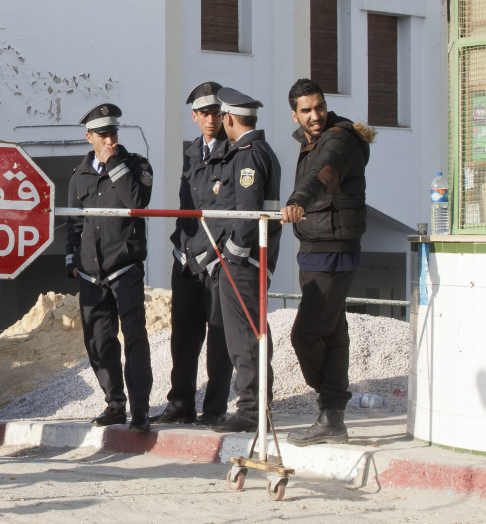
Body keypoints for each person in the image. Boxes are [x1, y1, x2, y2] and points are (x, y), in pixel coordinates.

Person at [280, 78, 373, 446]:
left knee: (306, 334)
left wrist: (299, 198)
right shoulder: (310, 140)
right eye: (307, 110)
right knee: (333, 333)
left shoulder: (338, 137)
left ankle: (332, 399)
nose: (315, 115)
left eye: (319, 107)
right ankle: (333, 419)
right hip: (315, 247)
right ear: (295, 114)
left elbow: (327, 172)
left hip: (335, 248)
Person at [66, 103, 155, 431]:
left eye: (113, 133)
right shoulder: (79, 175)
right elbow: (74, 223)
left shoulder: (136, 165)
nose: (109, 139)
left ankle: (141, 409)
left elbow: (137, 202)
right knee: (99, 342)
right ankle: (114, 403)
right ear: (89, 137)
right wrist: (71, 261)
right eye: (102, 135)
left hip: (125, 268)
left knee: (134, 339)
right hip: (90, 272)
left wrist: (114, 163)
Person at [153, 82, 233, 427]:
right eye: (205, 114)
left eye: (217, 113)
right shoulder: (190, 152)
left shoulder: (235, 152)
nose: (211, 120)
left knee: (219, 335)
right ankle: (180, 403)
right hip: (186, 255)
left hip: (217, 256)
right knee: (183, 335)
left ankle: (214, 408)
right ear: (195, 117)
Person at [207, 88, 281, 434]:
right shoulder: (255, 152)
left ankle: (251, 409)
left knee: (244, 339)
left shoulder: (248, 156)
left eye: (223, 118)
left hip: (244, 263)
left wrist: (233, 256)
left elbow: (248, 214)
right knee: (247, 335)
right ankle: (255, 404)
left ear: (230, 119)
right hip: (246, 261)